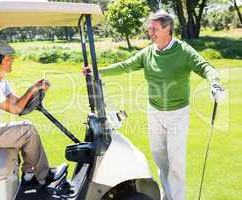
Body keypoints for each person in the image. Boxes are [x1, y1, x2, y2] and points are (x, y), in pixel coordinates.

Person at [83, 10, 226, 200]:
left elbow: (205, 66)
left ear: (168, 29)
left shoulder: (183, 51)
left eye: (154, 28)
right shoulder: (148, 52)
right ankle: (168, 196)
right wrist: (96, 71)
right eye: (150, 28)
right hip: (154, 111)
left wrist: (215, 83)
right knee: (160, 159)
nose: (150, 32)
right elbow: (126, 65)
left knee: (176, 163)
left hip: (177, 113)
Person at [0, 40, 63, 188]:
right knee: (27, 130)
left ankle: (29, 175)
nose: (12, 60)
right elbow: (16, 110)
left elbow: (18, 103)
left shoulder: (0, 81)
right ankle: (42, 176)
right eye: (8, 58)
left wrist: (38, 92)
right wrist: (32, 89)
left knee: (27, 129)